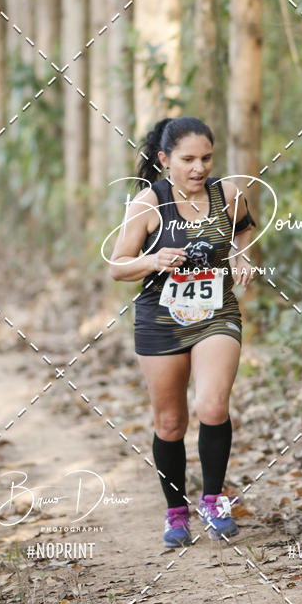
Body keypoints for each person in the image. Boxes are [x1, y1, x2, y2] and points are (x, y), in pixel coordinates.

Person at [109, 117, 257, 547]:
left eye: (206, 158)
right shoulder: (148, 204)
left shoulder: (228, 194)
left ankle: (213, 500)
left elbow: (245, 229)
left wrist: (242, 258)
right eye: (188, 159)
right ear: (165, 159)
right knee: (170, 422)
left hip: (216, 313)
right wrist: (152, 261)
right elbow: (117, 265)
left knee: (212, 405)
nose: (199, 168)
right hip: (161, 319)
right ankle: (176, 513)